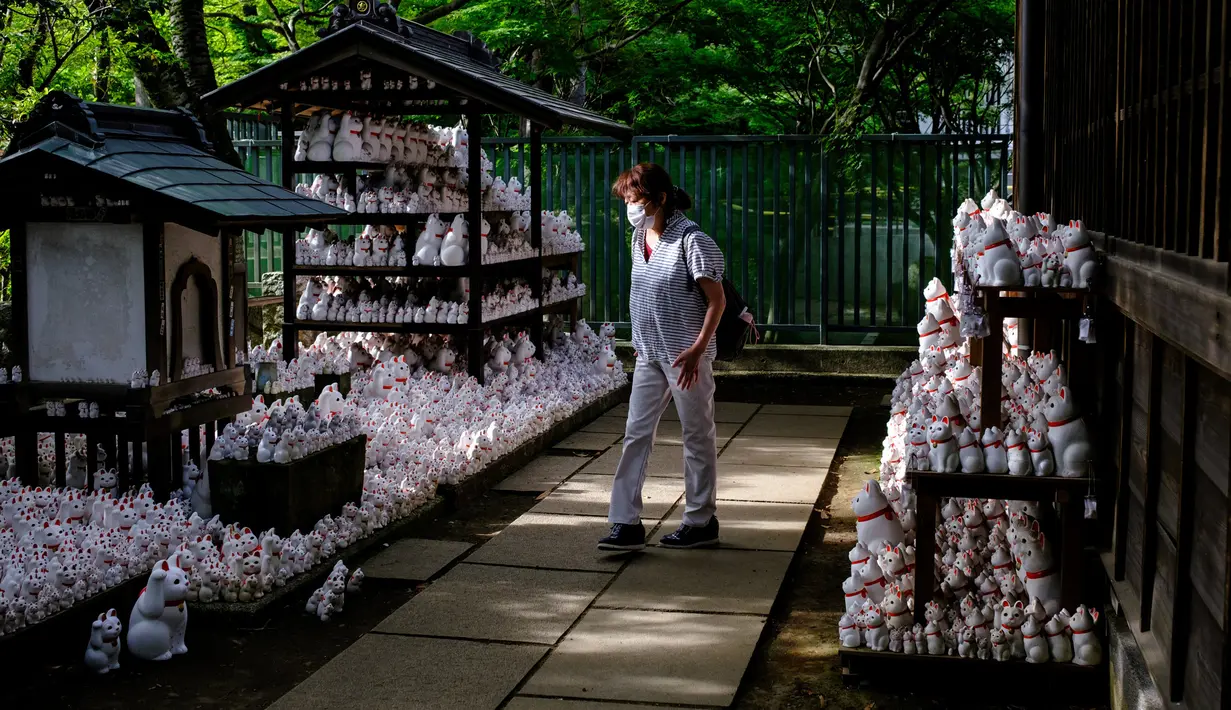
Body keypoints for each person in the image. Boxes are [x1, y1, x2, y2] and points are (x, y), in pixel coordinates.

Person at [598, 163, 727, 551]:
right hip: (650, 354)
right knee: (636, 434)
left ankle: (701, 520)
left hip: (687, 357)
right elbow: (643, 293)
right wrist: (641, 338)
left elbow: (716, 301)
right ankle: (625, 522)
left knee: (696, 436)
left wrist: (698, 349)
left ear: (661, 199)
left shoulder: (692, 240)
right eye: (627, 201)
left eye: (636, 200)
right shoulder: (639, 237)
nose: (631, 207)